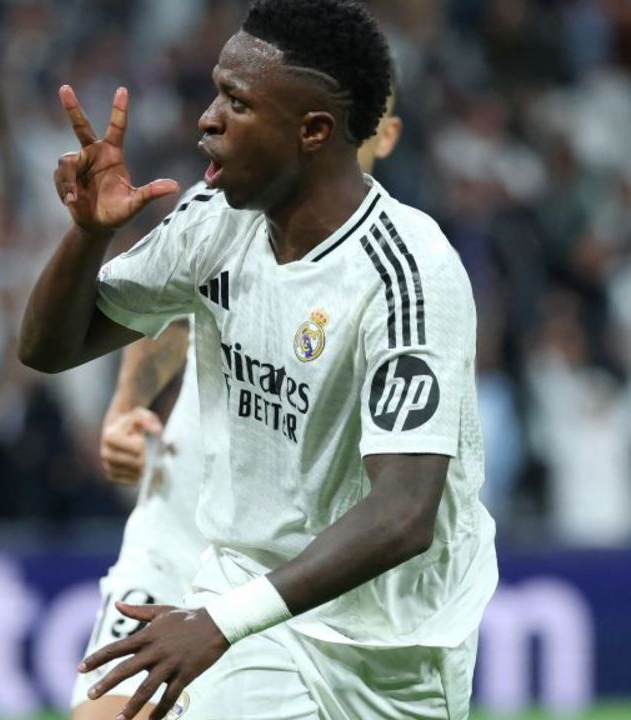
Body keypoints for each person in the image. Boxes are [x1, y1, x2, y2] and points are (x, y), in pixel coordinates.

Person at [18, 0, 495, 717]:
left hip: (396, 639)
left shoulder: (408, 274)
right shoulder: (218, 222)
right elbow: (50, 349)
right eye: (216, 92)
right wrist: (87, 236)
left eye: (236, 103)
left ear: (313, 131)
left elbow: (403, 513)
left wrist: (218, 622)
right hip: (241, 583)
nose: (205, 118)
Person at [72, 93, 402, 720]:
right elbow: (164, 310)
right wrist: (125, 406)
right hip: (178, 523)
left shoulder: (395, 272)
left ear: (385, 136)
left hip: (286, 564)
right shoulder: (237, 216)